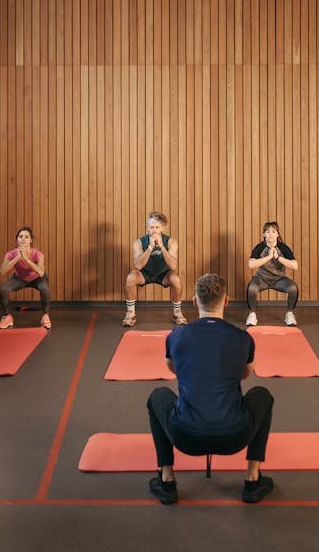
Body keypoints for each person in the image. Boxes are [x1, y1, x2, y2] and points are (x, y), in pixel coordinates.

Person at [147, 273, 275, 505]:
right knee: (262, 396)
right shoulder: (242, 338)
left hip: (185, 436)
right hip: (235, 436)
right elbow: (245, 374)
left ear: (195, 302)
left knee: (158, 396)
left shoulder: (176, 336)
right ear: (226, 300)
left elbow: (172, 368)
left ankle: (167, 480)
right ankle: (252, 478)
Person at [123, 211, 186, 327]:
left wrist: (161, 246)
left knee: (176, 280)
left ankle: (177, 313)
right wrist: (150, 247)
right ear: (147, 228)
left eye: (157, 227)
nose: (154, 230)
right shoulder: (139, 242)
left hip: (163, 274)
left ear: (162, 228)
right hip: (144, 273)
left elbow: (173, 266)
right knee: (130, 278)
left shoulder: (171, 242)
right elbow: (138, 266)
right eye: (151, 227)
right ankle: (130, 314)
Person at [246, 221, 299, 327]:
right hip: (261, 279)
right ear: (264, 234)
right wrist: (269, 257)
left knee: (293, 288)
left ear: (277, 234)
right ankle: (252, 314)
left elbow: (295, 265)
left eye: (273, 231)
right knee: (251, 289)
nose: (270, 234)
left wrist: (278, 257)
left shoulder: (283, 247)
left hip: (279, 279)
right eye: (267, 231)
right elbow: (251, 264)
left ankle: (289, 314)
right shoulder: (260, 247)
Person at [0, 226, 52, 329]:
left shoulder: (38, 254)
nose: (23, 239)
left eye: (26, 237)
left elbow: (40, 272)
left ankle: (45, 316)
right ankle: (7, 316)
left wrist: (26, 259)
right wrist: (18, 257)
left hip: (37, 279)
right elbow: (2, 271)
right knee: (4, 289)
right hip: (19, 279)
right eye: (20, 236)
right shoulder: (10, 254)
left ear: (31, 240)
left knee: (44, 288)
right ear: (17, 239)